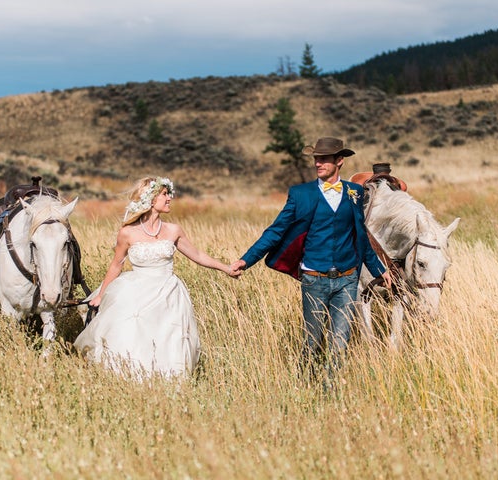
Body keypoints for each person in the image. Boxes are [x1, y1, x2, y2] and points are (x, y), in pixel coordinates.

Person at [231, 137, 392, 376]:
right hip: (313, 279)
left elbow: (360, 235)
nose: (318, 163)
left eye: (324, 159)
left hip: (347, 280)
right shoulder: (300, 194)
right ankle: (305, 385)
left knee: (340, 343)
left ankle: (331, 393)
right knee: (312, 341)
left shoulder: (355, 192)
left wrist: (379, 270)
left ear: (340, 161)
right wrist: (246, 260)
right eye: (316, 159)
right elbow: (276, 231)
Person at [74, 176, 241, 378]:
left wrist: (226, 268)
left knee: (169, 337)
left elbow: (197, 255)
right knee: (132, 333)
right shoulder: (127, 233)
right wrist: (101, 294)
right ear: (151, 199)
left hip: (168, 293)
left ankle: (169, 379)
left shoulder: (173, 230)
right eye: (164, 194)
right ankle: (131, 377)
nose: (170, 198)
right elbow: (116, 265)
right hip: (135, 292)